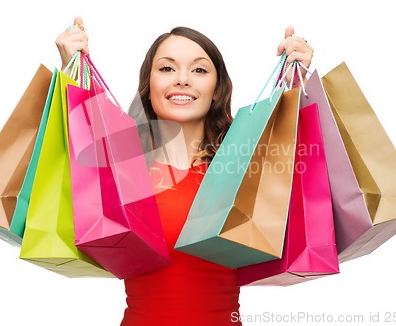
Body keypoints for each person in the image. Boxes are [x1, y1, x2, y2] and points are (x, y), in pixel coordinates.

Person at [55, 17, 314, 325]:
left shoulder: (244, 169)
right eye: (167, 68)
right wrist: (72, 72)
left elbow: (306, 196)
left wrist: (297, 88)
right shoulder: (122, 171)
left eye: (199, 69)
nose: (182, 79)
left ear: (216, 90)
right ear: (149, 87)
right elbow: (65, 170)